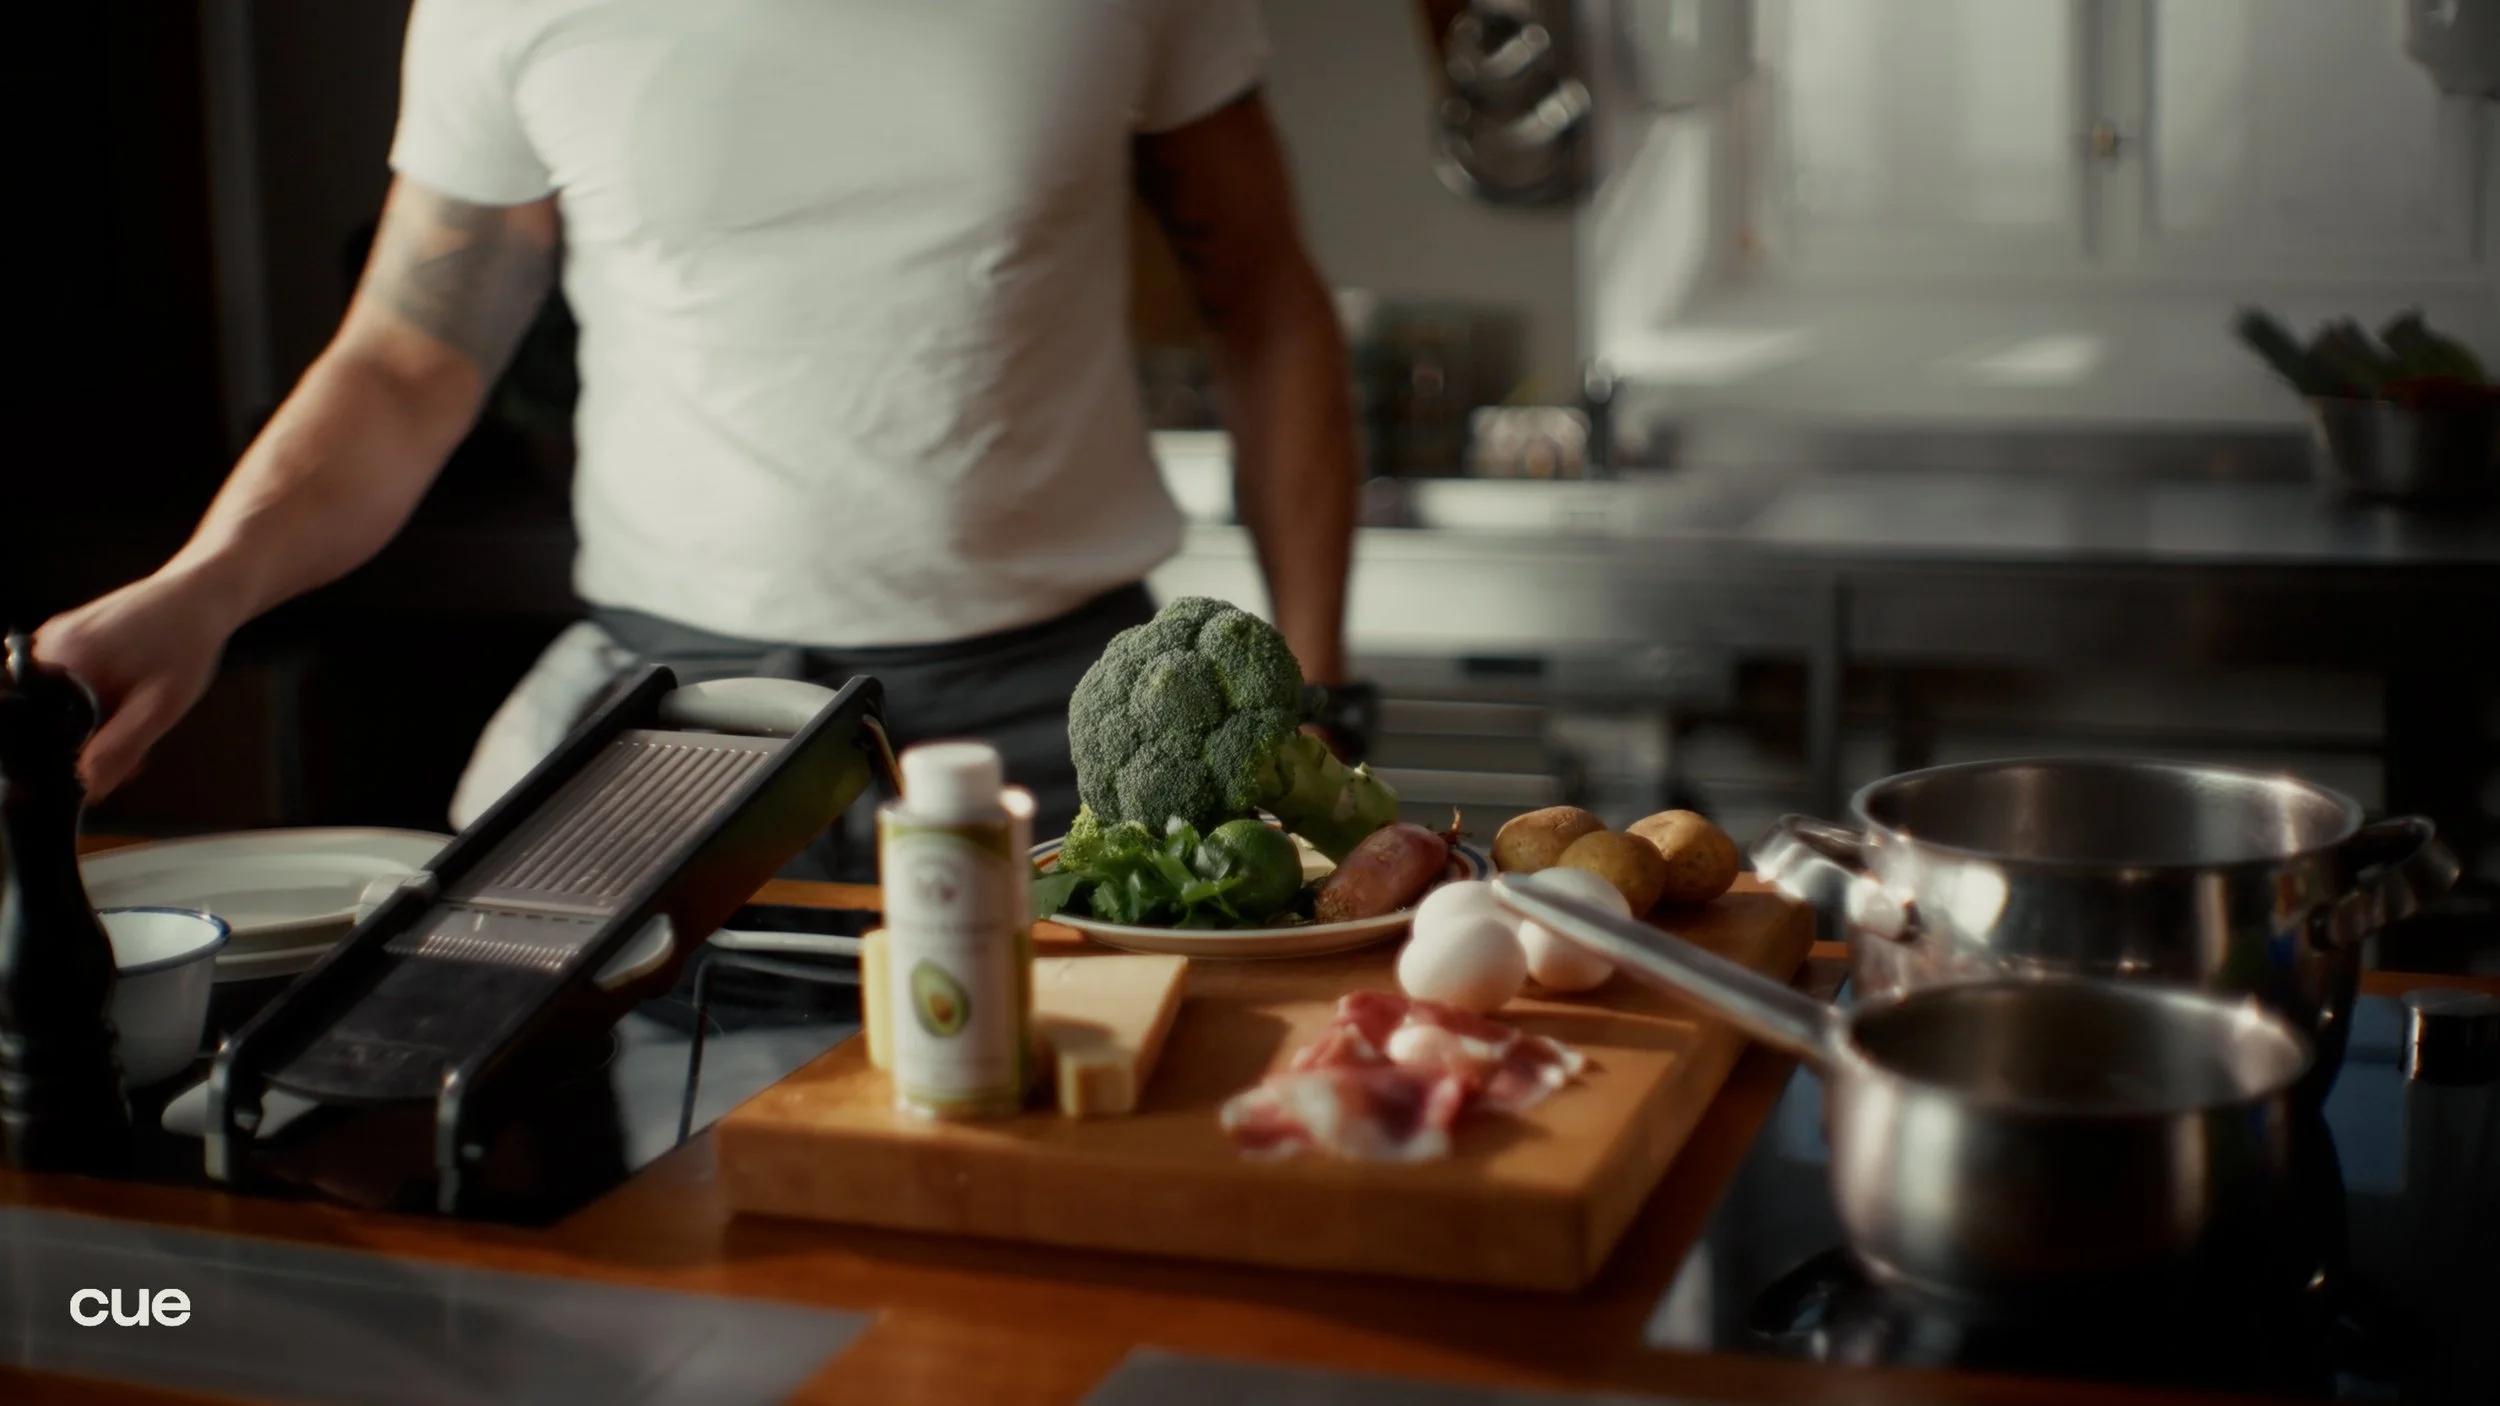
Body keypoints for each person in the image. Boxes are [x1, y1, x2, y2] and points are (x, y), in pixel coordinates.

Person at [35, 0, 1358, 878]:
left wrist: (1318, 686)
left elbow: (1269, 300)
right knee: (682, 1249)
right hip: (678, 745)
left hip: (1064, 734)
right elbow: (405, 359)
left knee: (1072, 1230)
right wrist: (201, 590)